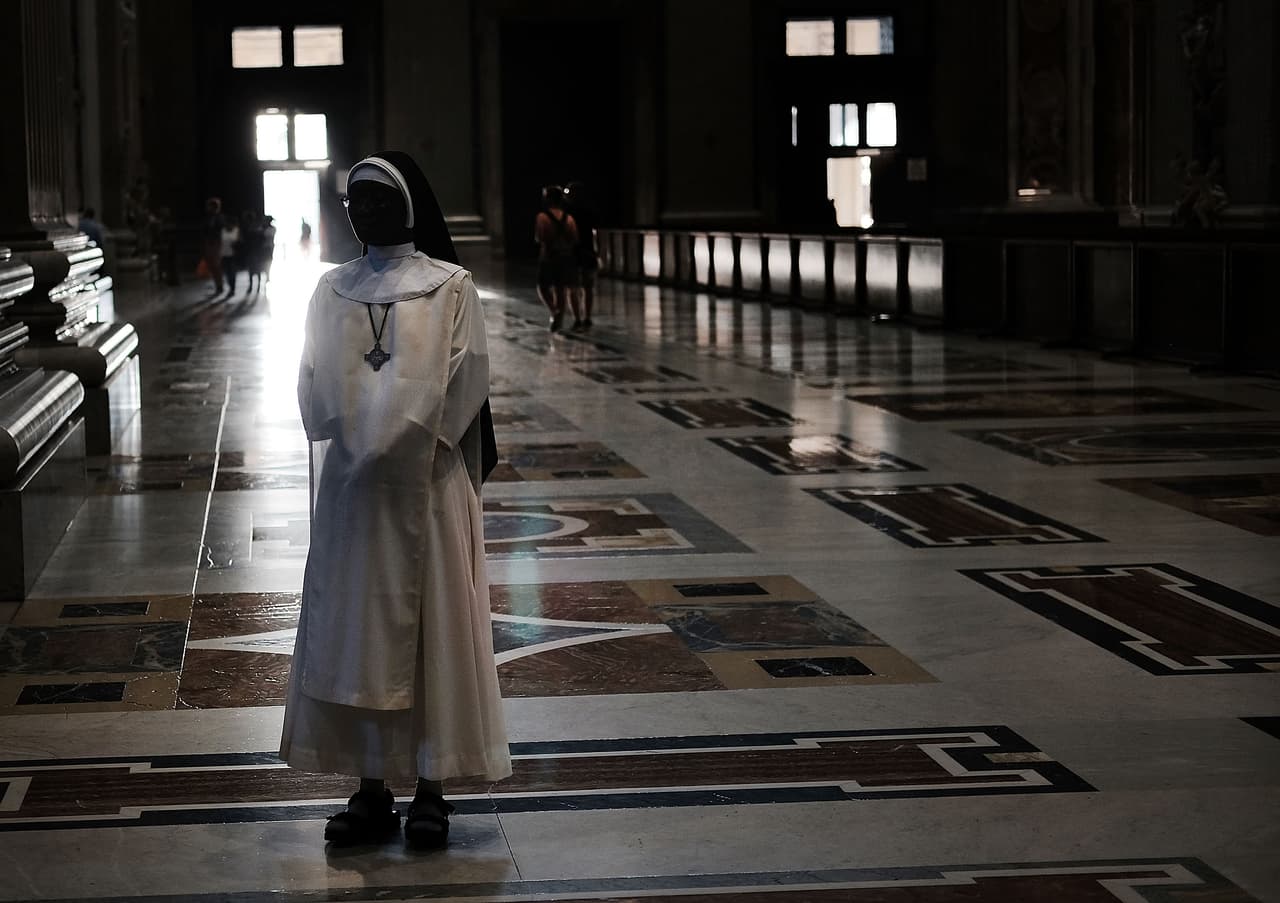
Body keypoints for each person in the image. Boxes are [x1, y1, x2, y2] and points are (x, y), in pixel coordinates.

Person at [280, 150, 509, 850]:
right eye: (356, 200)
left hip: (427, 489)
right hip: (354, 496)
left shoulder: (452, 287)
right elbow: (312, 381)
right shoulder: (331, 290)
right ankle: (369, 787)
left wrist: (399, 442)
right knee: (356, 635)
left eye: (380, 198)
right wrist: (357, 441)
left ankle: (432, 788)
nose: (366, 211)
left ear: (410, 205)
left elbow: (466, 379)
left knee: (432, 635)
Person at [533, 184, 581, 331]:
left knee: (543, 287)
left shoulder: (542, 217)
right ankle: (558, 321)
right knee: (561, 289)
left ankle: (554, 311)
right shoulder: (569, 219)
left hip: (548, 257)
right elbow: (575, 238)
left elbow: (539, 237)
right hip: (566, 257)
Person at [563, 181, 598, 329]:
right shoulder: (589, 211)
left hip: (572, 253)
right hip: (588, 252)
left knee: (572, 288)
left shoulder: (566, 214)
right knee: (588, 287)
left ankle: (577, 318)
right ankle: (587, 317)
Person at [201, 197, 226, 295]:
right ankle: (217, 285)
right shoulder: (208, 218)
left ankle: (220, 285)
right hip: (209, 242)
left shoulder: (220, 218)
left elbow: (221, 230)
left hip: (217, 243)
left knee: (217, 265)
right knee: (211, 265)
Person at [260, 215, 277, 283]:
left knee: (268, 261)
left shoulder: (272, 229)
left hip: (269, 247)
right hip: (265, 247)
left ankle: (267, 274)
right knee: (265, 261)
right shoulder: (264, 228)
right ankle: (266, 273)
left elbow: (269, 237)